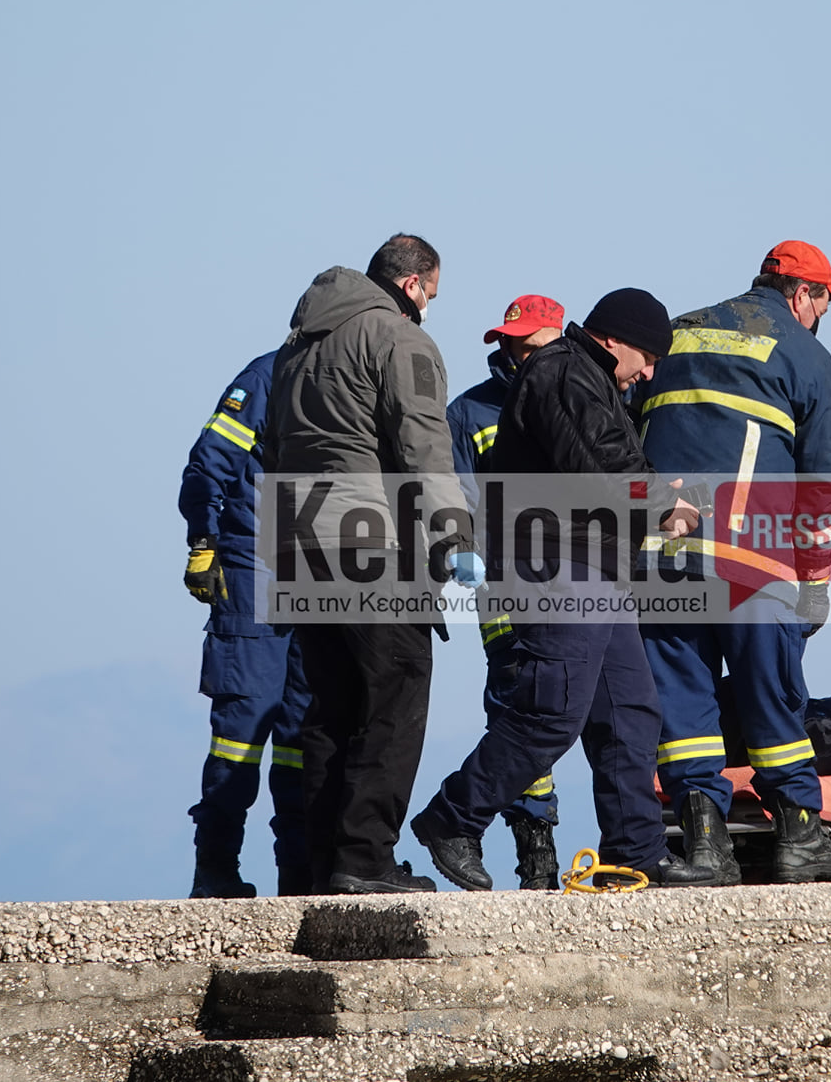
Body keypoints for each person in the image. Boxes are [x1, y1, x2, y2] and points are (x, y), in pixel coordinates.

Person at [412, 289, 714, 891]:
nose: (650, 372)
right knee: (551, 713)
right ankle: (453, 818)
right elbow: (598, 462)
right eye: (648, 356)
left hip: (596, 567)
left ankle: (635, 853)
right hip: (554, 565)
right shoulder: (563, 370)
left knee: (630, 713)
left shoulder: (592, 380)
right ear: (614, 339)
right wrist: (663, 505)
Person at [264, 233, 479, 895]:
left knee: (328, 708)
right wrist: (453, 537)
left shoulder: (296, 350)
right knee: (395, 696)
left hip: (302, 542)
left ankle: (326, 860)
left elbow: (274, 447)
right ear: (414, 283)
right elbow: (423, 446)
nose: (429, 308)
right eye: (432, 294)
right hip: (373, 545)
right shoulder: (399, 339)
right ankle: (364, 858)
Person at [637, 241, 831, 884]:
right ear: (802, 296)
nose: (821, 317)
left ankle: (705, 847)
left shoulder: (676, 332)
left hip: (664, 555)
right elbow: (820, 485)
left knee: (682, 704)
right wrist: (816, 578)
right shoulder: (806, 354)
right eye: (824, 304)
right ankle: (800, 836)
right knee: (771, 695)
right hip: (751, 554)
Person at [178, 349, 312, 898]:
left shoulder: (356, 376)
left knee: (306, 733)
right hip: (253, 566)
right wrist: (204, 542)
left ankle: (300, 878)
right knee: (243, 727)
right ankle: (216, 867)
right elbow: (210, 460)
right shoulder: (269, 375)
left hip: (324, 574)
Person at [445, 293, 567, 890]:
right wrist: (459, 545)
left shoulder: (583, 396)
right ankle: (536, 850)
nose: (514, 352)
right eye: (508, 341)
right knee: (522, 706)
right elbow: (448, 491)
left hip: (580, 578)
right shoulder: (469, 412)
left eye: (527, 341)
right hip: (504, 585)